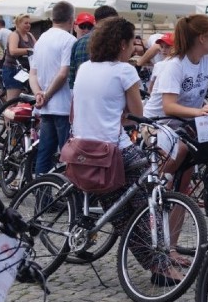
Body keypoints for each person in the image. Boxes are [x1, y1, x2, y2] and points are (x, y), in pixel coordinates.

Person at [71, 16, 182, 283]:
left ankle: (157, 262)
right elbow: (137, 113)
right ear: (121, 44)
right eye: (132, 43)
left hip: (81, 146)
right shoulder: (124, 71)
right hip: (112, 150)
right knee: (146, 195)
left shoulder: (85, 67)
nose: (135, 48)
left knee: (123, 209)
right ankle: (160, 265)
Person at [141, 15, 208, 190]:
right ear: (202, 38)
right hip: (157, 123)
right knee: (181, 149)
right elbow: (168, 106)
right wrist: (199, 111)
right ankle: (157, 188)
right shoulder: (175, 65)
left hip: (185, 124)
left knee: (188, 173)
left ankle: (180, 202)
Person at [29, 1, 76, 176]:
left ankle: (41, 195)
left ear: (52, 18)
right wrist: (46, 95)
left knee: (45, 153)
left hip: (45, 107)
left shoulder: (41, 39)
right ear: (71, 20)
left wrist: (38, 95)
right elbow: (63, 73)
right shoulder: (69, 40)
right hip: (63, 106)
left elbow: (32, 73)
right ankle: (67, 198)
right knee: (67, 155)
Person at [68, 5, 119, 89]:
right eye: (83, 26)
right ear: (75, 27)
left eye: (89, 26)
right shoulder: (87, 42)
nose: (86, 29)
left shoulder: (79, 43)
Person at [2, 13, 36, 101]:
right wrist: (29, 50)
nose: (28, 25)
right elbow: (13, 51)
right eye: (26, 23)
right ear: (18, 24)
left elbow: (37, 48)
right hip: (12, 70)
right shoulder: (14, 35)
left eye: (29, 23)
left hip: (25, 70)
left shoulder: (30, 35)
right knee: (12, 101)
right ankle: (6, 114)